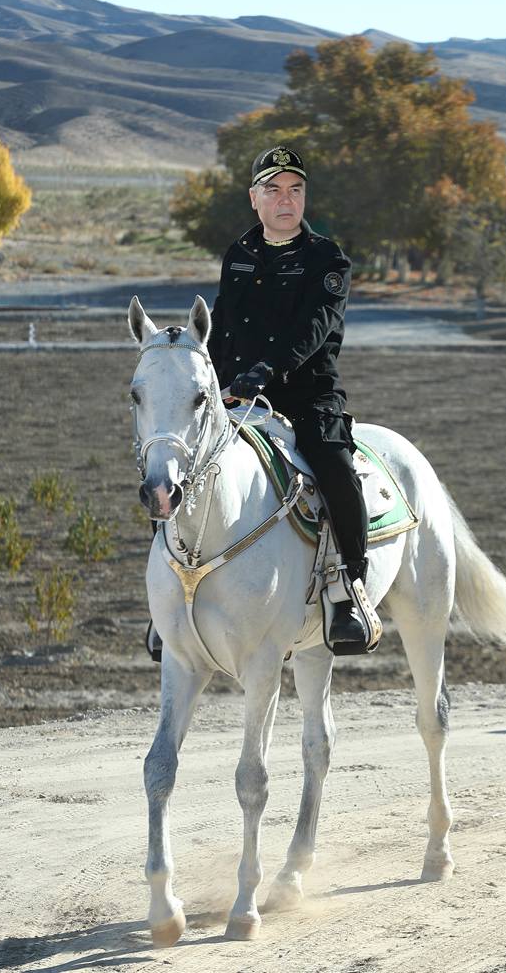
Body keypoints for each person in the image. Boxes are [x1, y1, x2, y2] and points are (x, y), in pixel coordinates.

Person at [207, 144, 369, 646]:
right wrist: (215, 381)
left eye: (295, 190)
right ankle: (173, 593)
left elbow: (314, 329)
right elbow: (223, 328)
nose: (286, 200)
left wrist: (265, 370)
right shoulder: (238, 255)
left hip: (307, 397)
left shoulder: (327, 259)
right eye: (274, 190)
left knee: (336, 470)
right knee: (178, 466)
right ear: (255, 199)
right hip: (242, 396)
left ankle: (351, 590)